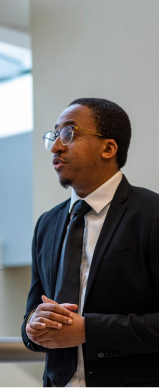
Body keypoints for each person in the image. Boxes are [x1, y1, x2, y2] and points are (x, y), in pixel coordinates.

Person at [21, 98, 159, 388]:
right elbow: (32, 311)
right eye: (54, 135)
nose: (56, 146)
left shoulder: (151, 214)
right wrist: (33, 327)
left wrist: (90, 331)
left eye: (69, 134)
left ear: (108, 148)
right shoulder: (47, 224)